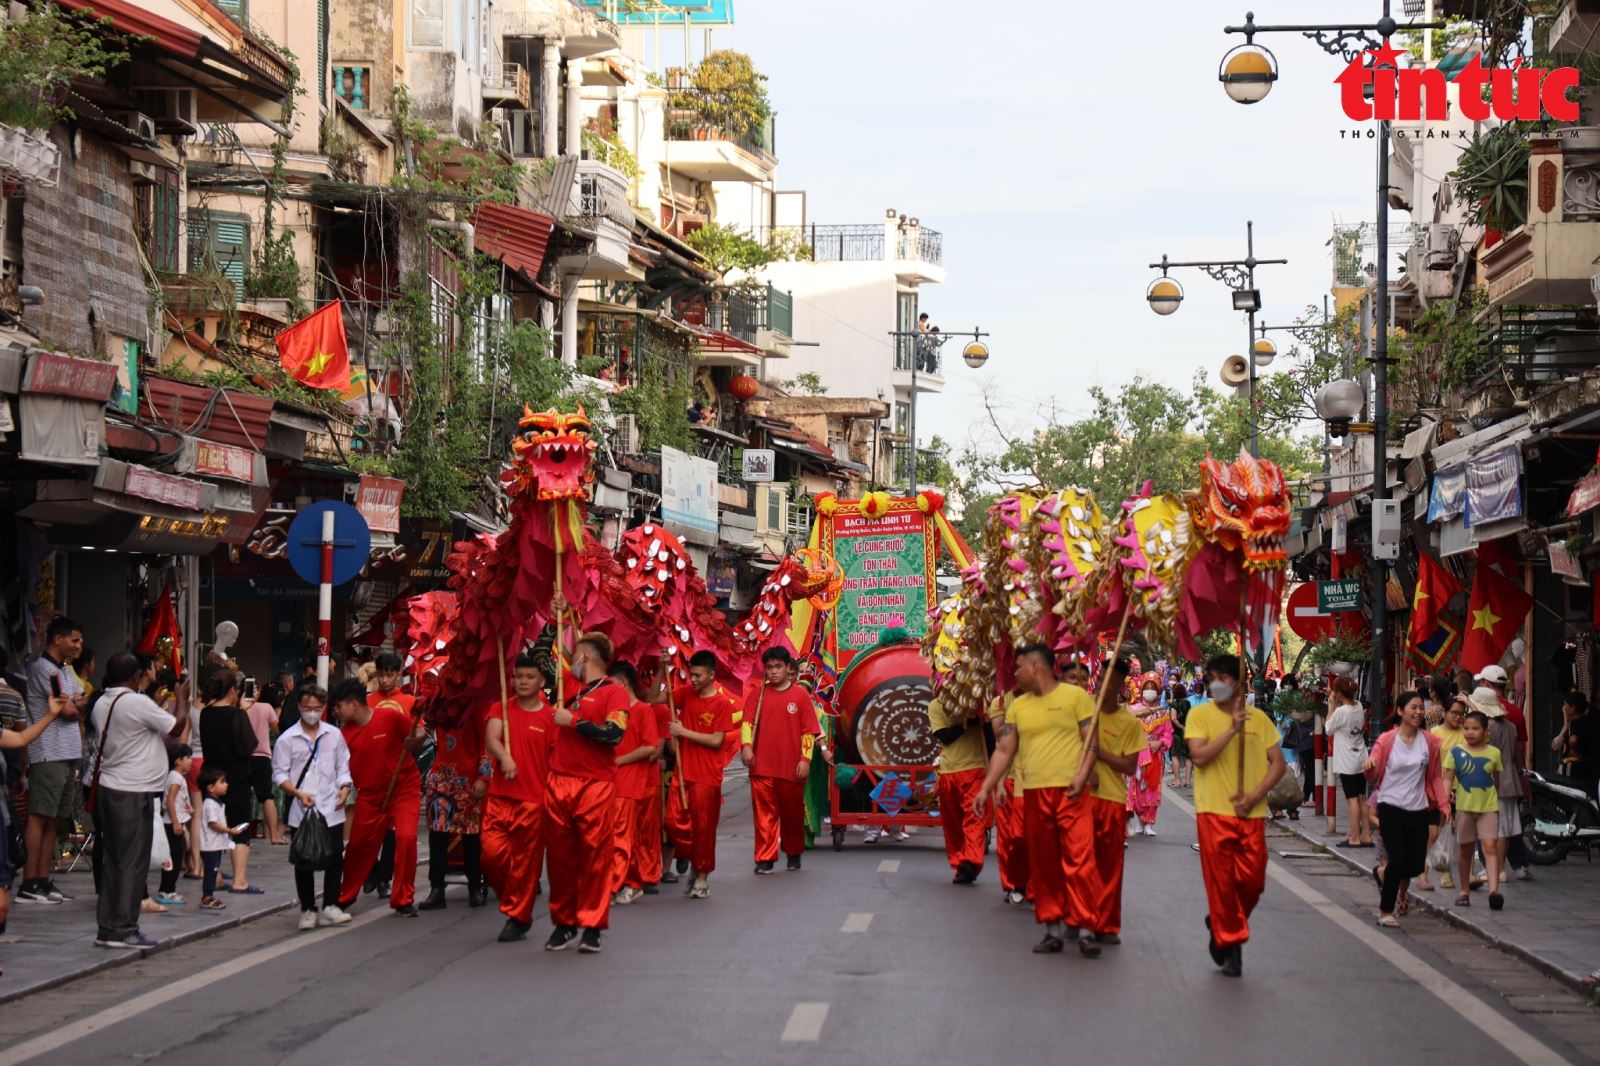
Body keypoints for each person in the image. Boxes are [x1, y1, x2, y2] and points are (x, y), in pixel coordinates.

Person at [973, 644, 1102, 959]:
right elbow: (1004, 750)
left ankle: (1085, 928)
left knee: (1080, 859)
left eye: (1018, 667)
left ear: (1035, 667)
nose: (1014, 673)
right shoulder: (1018, 707)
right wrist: (986, 787)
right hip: (1034, 793)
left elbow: (1091, 743)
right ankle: (1052, 929)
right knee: (1044, 864)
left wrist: (1082, 776)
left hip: (1071, 792)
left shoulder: (1076, 698)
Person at [1186, 654, 1288, 978]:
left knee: (1253, 882)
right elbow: (1199, 757)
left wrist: (1255, 796)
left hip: (1252, 814)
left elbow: (1278, 763)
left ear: (1238, 682)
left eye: (1222, 678)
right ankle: (1231, 947)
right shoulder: (1199, 716)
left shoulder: (1259, 719)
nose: (1215, 684)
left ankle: (1220, 922)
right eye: (1211, 677)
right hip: (1213, 812)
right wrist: (1231, 730)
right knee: (1222, 885)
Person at [543, 629, 630, 954]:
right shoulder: (569, 684)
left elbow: (614, 734)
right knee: (560, 858)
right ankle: (564, 923)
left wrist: (574, 721)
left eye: (574, 651)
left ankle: (592, 925)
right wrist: (557, 617)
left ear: (585, 656)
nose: (569, 656)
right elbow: (544, 657)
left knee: (595, 857)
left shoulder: (614, 693)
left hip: (595, 785)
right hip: (559, 781)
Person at [82, 653, 176, 947]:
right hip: (132, 791)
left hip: (111, 789)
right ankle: (123, 928)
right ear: (136, 676)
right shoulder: (136, 701)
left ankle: (108, 927)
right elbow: (176, 727)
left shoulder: (102, 701)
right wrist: (181, 697)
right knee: (132, 863)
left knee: (114, 861)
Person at [483, 653, 557, 942]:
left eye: (529, 677)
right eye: (518, 677)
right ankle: (512, 902)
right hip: (500, 797)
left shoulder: (550, 717)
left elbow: (556, 760)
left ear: (541, 681)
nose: (522, 682)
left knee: (526, 866)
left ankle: (518, 917)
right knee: (491, 857)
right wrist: (504, 758)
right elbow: (492, 738)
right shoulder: (500, 707)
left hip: (534, 802)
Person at [335, 676, 423, 917]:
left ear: (353, 704)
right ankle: (345, 896)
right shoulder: (343, 736)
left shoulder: (390, 717)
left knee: (405, 839)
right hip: (370, 796)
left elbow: (419, 733)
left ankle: (403, 898)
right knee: (358, 847)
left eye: (339, 705)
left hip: (404, 789)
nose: (337, 711)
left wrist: (414, 740)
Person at [18, 617, 90, 904]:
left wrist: (79, 703)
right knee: (40, 816)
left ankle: (44, 880)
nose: (78, 646)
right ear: (57, 639)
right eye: (74, 640)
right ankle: (29, 882)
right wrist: (80, 704)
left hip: (67, 751)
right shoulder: (43, 669)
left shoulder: (65, 670)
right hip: (48, 752)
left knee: (55, 819)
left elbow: (78, 702)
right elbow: (70, 710)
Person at [1364, 691, 1450, 928]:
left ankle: (1384, 875)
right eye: (1413, 707)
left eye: (1421, 707)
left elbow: (1434, 777)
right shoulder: (1387, 740)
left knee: (1414, 864)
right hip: (1390, 806)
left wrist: (1443, 805)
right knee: (1398, 860)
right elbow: (1372, 774)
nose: (1418, 712)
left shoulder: (1430, 742)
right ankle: (1385, 911)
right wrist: (1369, 766)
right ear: (1400, 711)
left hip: (1418, 808)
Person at [273, 684, 354, 929]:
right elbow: (278, 774)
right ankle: (308, 908)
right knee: (303, 859)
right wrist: (296, 792)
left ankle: (330, 905)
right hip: (302, 808)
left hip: (331, 807)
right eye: (307, 708)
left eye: (317, 708)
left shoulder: (334, 735)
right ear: (298, 706)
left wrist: (344, 788)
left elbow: (343, 767)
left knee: (335, 858)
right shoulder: (287, 739)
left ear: (324, 708)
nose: (312, 712)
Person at [667, 650, 740, 899]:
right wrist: (661, 669)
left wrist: (683, 732)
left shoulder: (720, 704)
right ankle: (690, 856)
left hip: (707, 776)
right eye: (691, 674)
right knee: (672, 821)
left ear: (711, 675)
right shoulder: (685, 694)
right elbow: (655, 698)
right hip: (682, 772)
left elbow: (717, 740)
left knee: (704, 829)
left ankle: (701, 877)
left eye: (698, 675)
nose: (693, 679)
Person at [742, 647, 821, 876]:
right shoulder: (758, 695)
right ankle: (765, 858)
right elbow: (747, 724)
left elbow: (808, 731)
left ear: (788, 668)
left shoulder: (800, 696)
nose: (773, 672)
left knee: (792, 814)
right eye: (769, 667)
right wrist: (747, 747)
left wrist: (805, 759)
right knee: (763, 815)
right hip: (761, 767)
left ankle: (793, 851)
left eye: (778, 667)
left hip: (791, 768)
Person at [1087, 660, 1146, 945]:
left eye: (1110, 682)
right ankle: (1077, 915)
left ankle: (1107, 923)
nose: (1102, 687)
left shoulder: (1128, 723)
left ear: (1120, 686)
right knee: (1078, 862)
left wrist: (1099, 752)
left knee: (1109, 866)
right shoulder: (1082, 711)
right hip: (1080, 798)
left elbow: (1129, 765)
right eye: (1099, 680)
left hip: (1110, 800)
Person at [418, 694, 491, 912]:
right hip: (441, 778)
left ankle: (474, 888)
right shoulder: (439, 705)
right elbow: (425, 726)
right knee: (438, 836)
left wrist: (483, 777)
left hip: (468, 780)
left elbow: (486, 744)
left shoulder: (477, 706)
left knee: (471, 837)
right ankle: (437, 889)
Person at [198, 670, 260, 894]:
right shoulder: (236, 715)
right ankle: (239, 880)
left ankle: (213, 876)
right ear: (233, 690)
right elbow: (248, 745)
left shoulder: (205, 714)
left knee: (214, 829)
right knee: (239, 827)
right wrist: (242, 712)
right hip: (236, 777)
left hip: (211, 777)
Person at [361, 653, 416, 898]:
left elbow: (418, 736)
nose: (385, 679)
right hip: (372, 773)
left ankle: (384, 876)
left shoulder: (409, 701)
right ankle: (371, 870)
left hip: (400, 775)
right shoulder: (367, 701)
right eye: (381, 674)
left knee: (395, 830)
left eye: (390, 674)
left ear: (398, 675)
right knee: (369, 831)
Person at [606, 661, 660, 905]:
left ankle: (624, 884)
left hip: (630, 782)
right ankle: (629, 881)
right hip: (610, 782)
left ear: (622, 683)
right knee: (622, 836)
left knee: (622, 836)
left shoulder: (643, 711)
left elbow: (650, 747)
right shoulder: (612, 713)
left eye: (610, 684)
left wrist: (619, 761)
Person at [1444, 710, 1504, 911]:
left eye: (1475, 729)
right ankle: (1463, 890)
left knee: (1490, 847)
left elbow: (1496, 780)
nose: (1470, 732)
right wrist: (1445, 803)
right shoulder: (1455, 753)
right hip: (1464, 807)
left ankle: (1494, 892)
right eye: (1467, 728)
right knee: (1465, 850)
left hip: (1488, 808)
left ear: (1486, 731)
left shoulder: (1494, 753)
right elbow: (1447, 779)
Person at [927, 689, 989, 885]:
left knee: (974, 817)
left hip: (976, 767)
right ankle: (959, 863)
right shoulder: (935, 706)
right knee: (953, 823)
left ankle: (971, 861)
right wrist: (968, 721)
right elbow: (944, 736)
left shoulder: (978, 704)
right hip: (948, 771)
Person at [987, 688, 1029, 906]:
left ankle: (1030, 883)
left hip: (1034, 778)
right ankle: (1012, 882)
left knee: (1027, 835)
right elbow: (1001, 735)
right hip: (1007, 777)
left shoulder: (1044, 697)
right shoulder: (1000, 702)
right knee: (1007, 836)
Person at [1326, 676, 1371, 847]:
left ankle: (1354, 837)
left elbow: (1328, 729)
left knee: (1351, 799)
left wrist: (1331, 705)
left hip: (1347, 761)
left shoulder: (1341, 712)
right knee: (1362, 797)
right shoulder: (1358, 706)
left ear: (1337, 693)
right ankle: (1366, 834)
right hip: (1361, 757)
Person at [1127, 673, 1172, 836]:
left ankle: (1149, 824)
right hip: (1136, 755)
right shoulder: (1133, 710)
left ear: (1159, 691)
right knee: (1137, 788)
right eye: (1147, 688)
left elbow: (1168, 734)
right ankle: (1139, 821)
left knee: (1152, 788)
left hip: (1155, 755)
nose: (1150, 691)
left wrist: (1159, 743)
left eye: (1153, 688)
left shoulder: (1163, 714)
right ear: (1142, 689)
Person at [243, 678, 286, 846]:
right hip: (263, 756)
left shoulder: (243, 708)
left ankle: (242, 834)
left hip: (245, 756)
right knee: (267, 796)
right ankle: (275, 835)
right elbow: (278, 730)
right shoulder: (267, 708)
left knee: (244, 795)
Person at [197, 768, 247, 911]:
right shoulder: (210, 804)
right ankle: (207, 897)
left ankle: (209, 895)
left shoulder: (216, 803)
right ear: (211, 788)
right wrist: (229, 830)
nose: (226, 785)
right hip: (210, 845)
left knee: (213, 871)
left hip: (216, 844)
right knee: (210, 872)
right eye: (222, 782)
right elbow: (213, 823)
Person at [155, 745, 194, 906]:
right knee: (174, 860)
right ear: (178, 761)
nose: (191, 761)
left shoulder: (175, 776)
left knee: (174, 858)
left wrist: (188, 808)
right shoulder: (176, 778)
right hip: (172, 824)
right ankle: (168, 891)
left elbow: (177, 799)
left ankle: (167, 889)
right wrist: (176, 822)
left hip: (173, 822)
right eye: (188, 758)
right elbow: (170, 800)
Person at [1553, 691, 1600, 788]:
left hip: (1580, 769)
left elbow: (1573, 740)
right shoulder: (1583, 719)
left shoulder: (1577, 723)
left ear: (1573, 708)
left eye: (1565, 704)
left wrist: (1574, 750)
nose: (1563, 707)